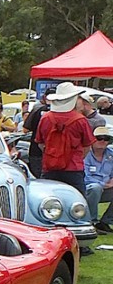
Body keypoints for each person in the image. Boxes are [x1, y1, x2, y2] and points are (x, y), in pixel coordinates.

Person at [36, 82, 98, 253]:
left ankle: (48, 242)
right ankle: (80, 246)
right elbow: (87, 146)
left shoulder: (46, 118)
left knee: (47, 204)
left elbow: (40, 143)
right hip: (73, 169)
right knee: (78, 205)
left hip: (50, 167)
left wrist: (53, 155)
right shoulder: (80, 120)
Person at [83, 126, 113, 232]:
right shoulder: (85, 154)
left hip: (106, 188)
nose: (103, 141)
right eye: (99, 138)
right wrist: (103, 184)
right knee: (95, 187)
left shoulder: (111, 154)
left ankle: (106, 221)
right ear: (92, 139)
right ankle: (91, 221)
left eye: (106, 138)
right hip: (87, 189)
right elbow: (85, 177)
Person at [23, 93, 51, 177]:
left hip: (36, 149)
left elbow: (26, 129)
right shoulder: (62, 113)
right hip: (54, 153)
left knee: (37, 178)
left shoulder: (37, 110)